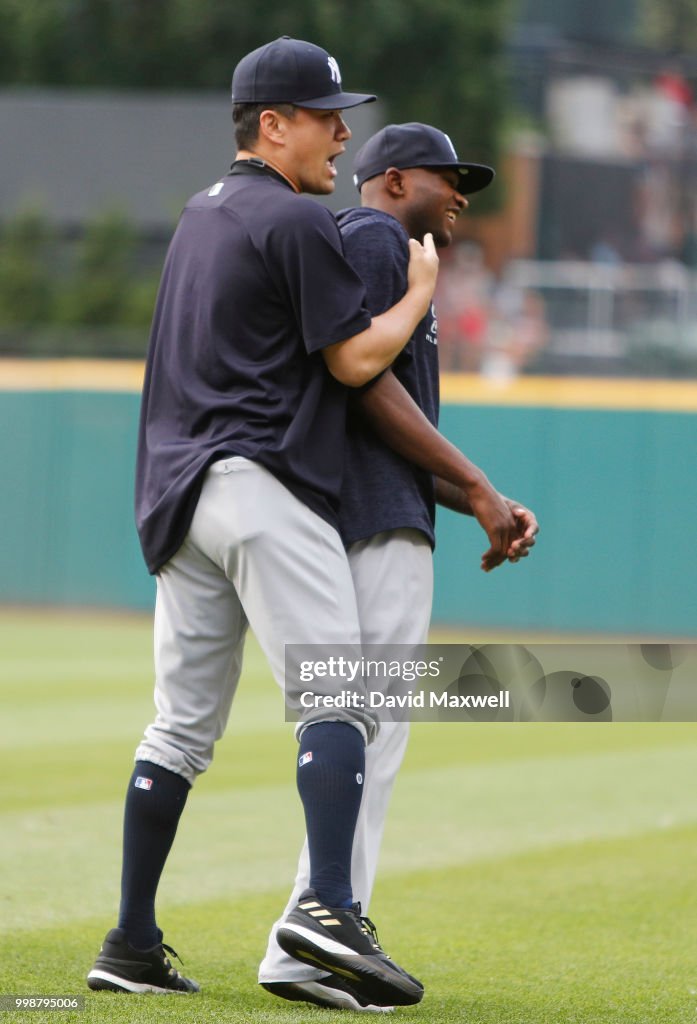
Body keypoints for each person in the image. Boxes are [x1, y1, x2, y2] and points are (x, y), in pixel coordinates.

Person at [85, 39, 445, 1009]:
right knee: (344, 692)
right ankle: (327, 907)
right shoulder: (290, 218)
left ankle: (130, 939)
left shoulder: (198, 218)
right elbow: (351, 363)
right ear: (270, 123)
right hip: (254, 482)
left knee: (180, 729)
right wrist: (415, 295)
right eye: (323, 113)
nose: (341, 130)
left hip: (174, 496)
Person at [259, 123, 539, 1011]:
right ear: (391, 178)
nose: (462, 193)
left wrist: (479, 500)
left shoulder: (382, 249)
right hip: (374, 523)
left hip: (365, 508)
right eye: (449, 176)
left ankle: (311, 934)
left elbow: (386, 419)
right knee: (370, 732)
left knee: (361, 729)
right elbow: (363, 385)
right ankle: (317, 931)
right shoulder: (379, 237)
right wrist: (478, 483)